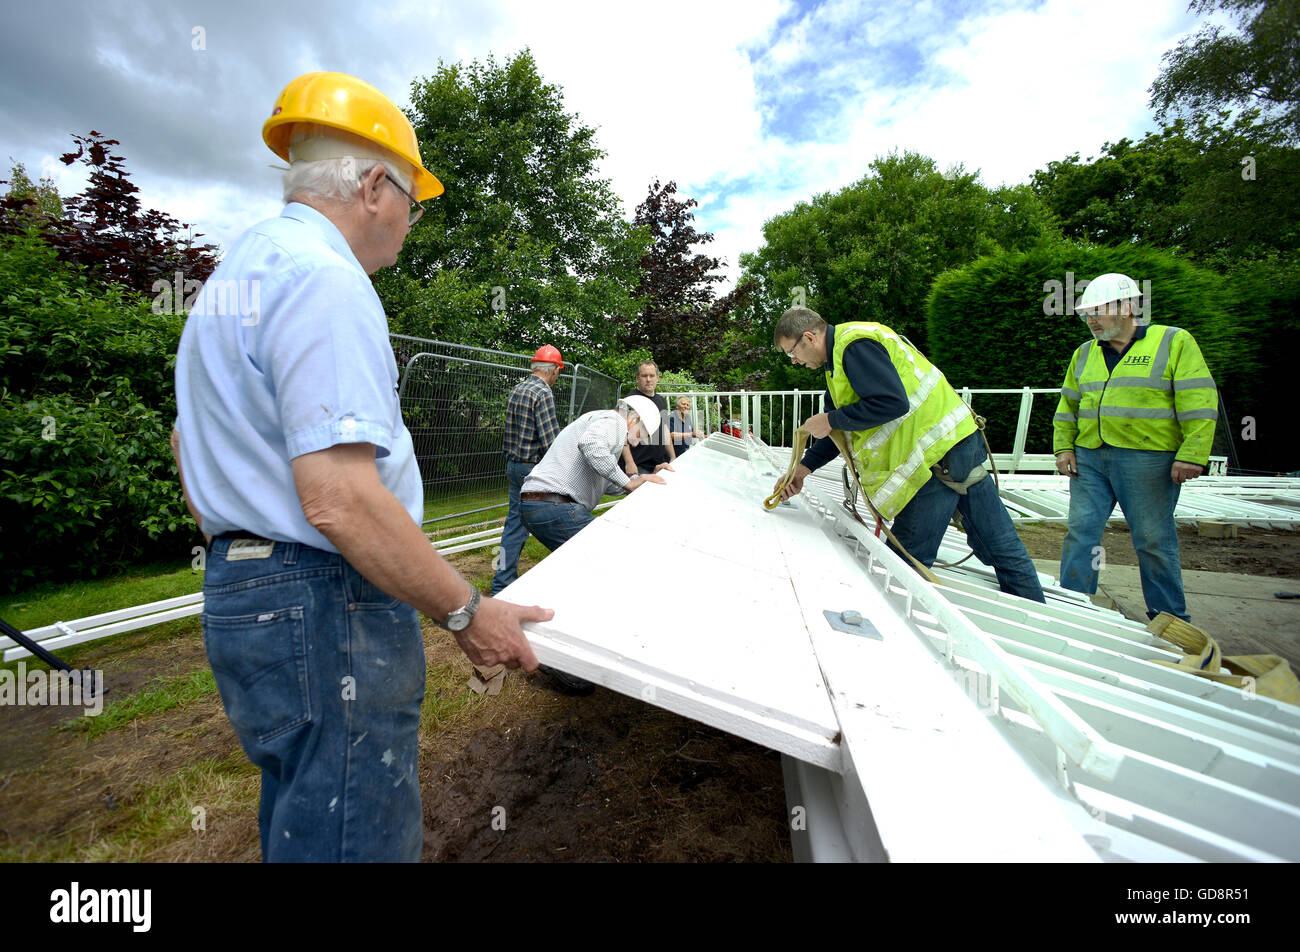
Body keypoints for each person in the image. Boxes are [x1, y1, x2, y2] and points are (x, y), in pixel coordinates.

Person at [171, 72, 547, 863]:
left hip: (249, 594)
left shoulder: (235, 276)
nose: (412, 224)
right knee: (353, 836)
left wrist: (243, 544)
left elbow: (186, 441)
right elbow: (339, 499)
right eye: (412, 202)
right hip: (324, 599)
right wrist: (467, 612)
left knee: (308, 816)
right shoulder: (323, 279)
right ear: (375, 185)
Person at [771, 308, 1044, 602]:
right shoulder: (842, 358)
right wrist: (802, 469)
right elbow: (840, 428)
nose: (795, 360)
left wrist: (829, 420)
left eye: (792, 352)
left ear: (809, 337)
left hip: (933, 464)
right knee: (1002, 546)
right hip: (957, 447)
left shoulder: (853, 348)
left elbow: (890, 403)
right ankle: (1041, 624)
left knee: (902, 569)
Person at [1054, 272, 1218, 621]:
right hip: (1089, 458)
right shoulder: (1083, 354)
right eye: (1087, 313)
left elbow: (1199, 400)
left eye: (1098, 311)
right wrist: (1063, 448)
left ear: (1127, 307)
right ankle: (1072, 607)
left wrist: (1192, 453)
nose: (1091, 319)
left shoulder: (1173, 341)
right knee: (1082, 531)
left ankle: (1169, 619)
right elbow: (1068, 405)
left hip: (1149, 461)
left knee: (1152, 539)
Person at [520, 395, 668, 693]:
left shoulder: (604, 431)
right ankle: (548, 651)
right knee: (605, 565)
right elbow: (592, 447)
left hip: (545, 503)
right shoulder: (610, 421)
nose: (637, 443)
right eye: (640, 435)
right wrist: (629, 483)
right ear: (633, 419)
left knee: (584, 573)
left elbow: (606, 481)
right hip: (555, 504)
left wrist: (641, 482)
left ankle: (545, 638)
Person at [491, 345, 563, 595]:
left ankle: (503, 578)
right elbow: (550, 440)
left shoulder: (518, 389)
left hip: (513, 465)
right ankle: (504, 581)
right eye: (558, 372)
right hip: (531, 469)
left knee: (514, 524)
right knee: (552, 517)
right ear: (553, 370)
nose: (557, 377)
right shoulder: (542, 393)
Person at [621, 361, 676, 475]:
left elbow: (664, 430)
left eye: (652, 376)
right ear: (637, 378)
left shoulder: (660, 400)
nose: (648, 379)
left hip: (659, 463)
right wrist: (629, 463)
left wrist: (672, 457)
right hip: (638, 466)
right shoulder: (629, 401)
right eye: (644, 376)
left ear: (657, 378)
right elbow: (620, 434)